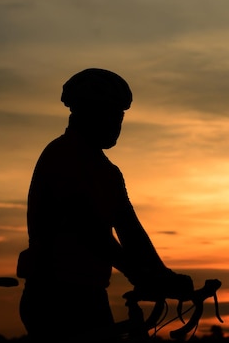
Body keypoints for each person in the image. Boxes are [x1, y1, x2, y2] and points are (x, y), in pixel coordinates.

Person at [17, 68, 192, 342]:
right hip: (54, 295)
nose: (116, 124)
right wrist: (139, 273)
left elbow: (130, 230)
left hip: (88, 291)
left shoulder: (107, 171)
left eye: (120, 116)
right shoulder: (63, 156)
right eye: (109, 115)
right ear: (83, 113)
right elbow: (88, 230)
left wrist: (161, 274)